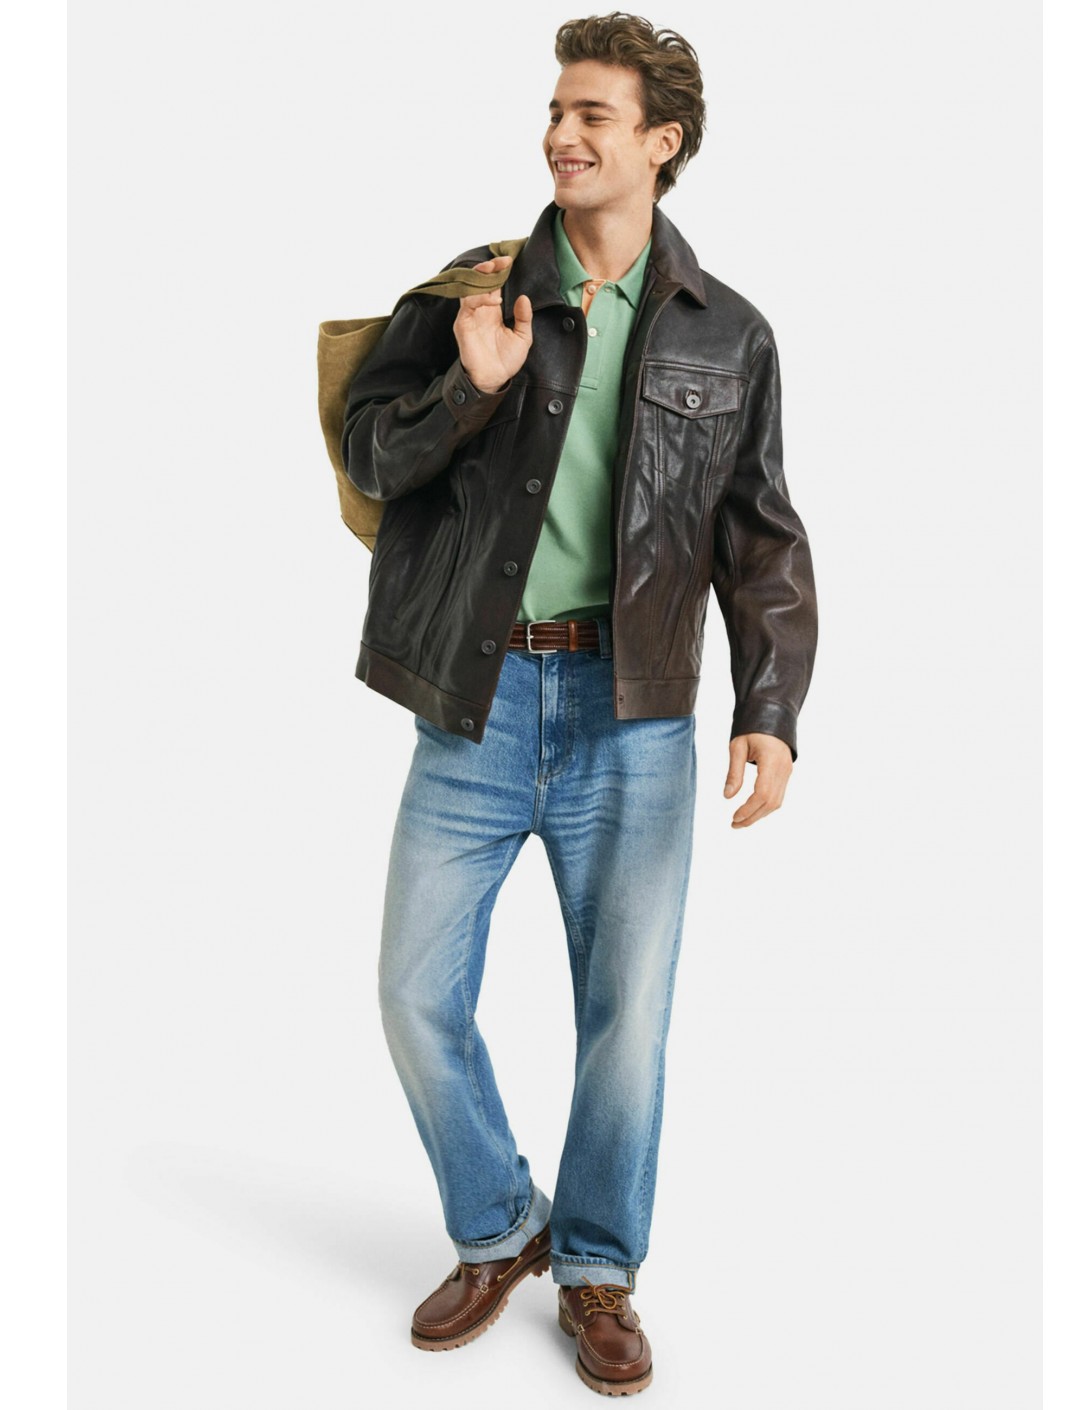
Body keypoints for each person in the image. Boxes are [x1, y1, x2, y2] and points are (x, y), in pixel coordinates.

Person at [340, 11, 818, 1396]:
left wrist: (771, 704)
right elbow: (371, 457)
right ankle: (501, 1224)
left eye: (592, 115)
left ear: (660, 144)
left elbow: (761, 534)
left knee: (627, 1017)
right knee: (413, 995)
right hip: (476, 703)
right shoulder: (470, 295)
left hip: (635, 715)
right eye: (556, 109)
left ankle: (598, 1268)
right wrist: (467, 390)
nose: (560, 133)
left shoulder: (730, 333)